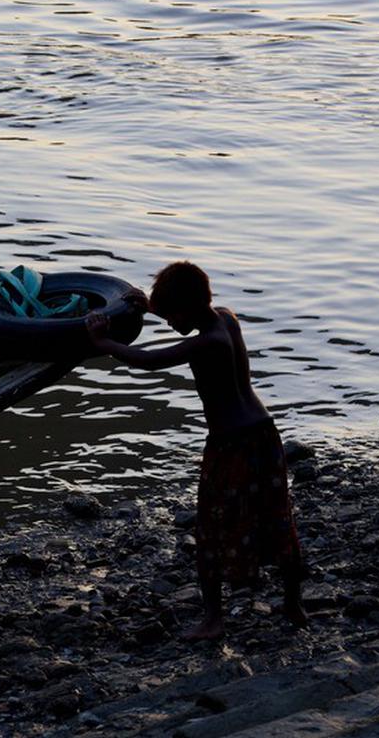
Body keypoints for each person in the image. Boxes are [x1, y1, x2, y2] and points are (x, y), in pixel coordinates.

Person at [86, 262, 307, 639]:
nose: (169, 323)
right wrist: (153, 308)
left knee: (212, 526)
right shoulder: (226, 319)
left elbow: (152, 360)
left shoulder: (208, 343)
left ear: (187, 310)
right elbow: (186, 319)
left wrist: (104, 344)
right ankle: (293, 604)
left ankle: (213, 620)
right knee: (275, 517)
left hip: (232, 443)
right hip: (263, 433)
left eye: (172, 316)